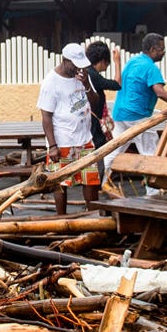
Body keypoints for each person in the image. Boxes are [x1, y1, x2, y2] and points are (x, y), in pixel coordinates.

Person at [37, 42, 100, 213]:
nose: (78, 69)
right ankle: (61, 217)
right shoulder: (51, 82)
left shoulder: (83, 76)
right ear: (65, 61)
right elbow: (46, 116)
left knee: (91, 180)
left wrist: (86, 85)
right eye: (75, 65)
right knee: (60, 183)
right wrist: (52, 146)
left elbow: (95, 104)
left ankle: (93, 216)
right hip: (63, 141)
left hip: (85, 139)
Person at [110, 33, 167, 160]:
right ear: (152, 50)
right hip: (137, 116)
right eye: (161, 49)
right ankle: (154, 173)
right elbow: (160, 92)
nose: (163, 52)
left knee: (113, 152)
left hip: (120, 114)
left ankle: (102, 173)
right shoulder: (151, 68)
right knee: (151, 154)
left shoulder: (133, 61)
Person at [81, 41, 119, 150]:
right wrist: (117, 62)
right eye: (107, 63)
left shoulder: (86, 72)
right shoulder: (93, 75)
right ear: (102, 60)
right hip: (93, 124)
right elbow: (117, 85)